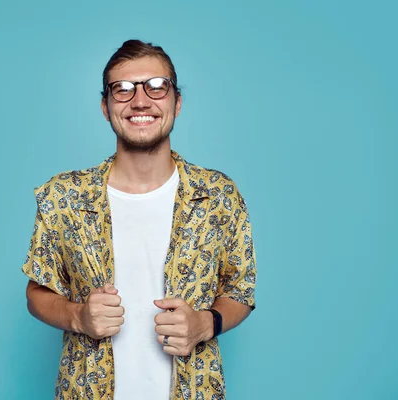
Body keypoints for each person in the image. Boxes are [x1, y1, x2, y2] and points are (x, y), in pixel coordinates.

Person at [22, 39, 257, 400]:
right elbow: (37, 291)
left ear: (177, 102)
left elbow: (240, 290)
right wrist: (77, 317)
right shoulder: (64, 197)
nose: (141, 101)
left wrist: (205, 323)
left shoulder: (218, 196)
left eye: (157, 86)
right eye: (123, 89)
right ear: (105, 106)